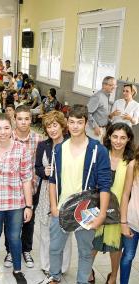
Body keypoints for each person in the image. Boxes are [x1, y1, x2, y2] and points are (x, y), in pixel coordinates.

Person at [40, 105, 111, 284]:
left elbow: (104, 185)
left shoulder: (98, 150)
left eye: (80, 122)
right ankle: (54, 277)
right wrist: (54, 207)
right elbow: (53, 180)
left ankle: (82, 281)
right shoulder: (59, 149)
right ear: (67, 124)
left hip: (87, 211)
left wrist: (102, 214)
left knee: (85, 252)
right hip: (62, 208)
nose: (75, 126)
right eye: (72, 122)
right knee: (55, 248)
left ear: (86, 123)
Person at [0, 113, 33, 284]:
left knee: (14, 237)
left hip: (15, 202)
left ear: (12, 129)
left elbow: (26, 179)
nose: (2, 132)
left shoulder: (21, 149)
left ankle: (17, 270)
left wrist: (29, 206)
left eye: (6, 128)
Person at [89, 123, 134, 284]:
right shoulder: (100, 154)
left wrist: (123, 219)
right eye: (115, 136)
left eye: (123, 137)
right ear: (108, 136)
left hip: (117, 211)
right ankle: (88, 273)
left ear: (128, 139)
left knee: (116, 248)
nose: (118, 141)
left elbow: (127, 194)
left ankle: (113, 277)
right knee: (92, 244)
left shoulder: (130, 162)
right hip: (96, 207)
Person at [4, 105, 43, 269]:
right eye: (19, 118)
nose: (23, 122)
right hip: (11, 190)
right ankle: (10, 251)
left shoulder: (38, 139)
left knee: (29, 221)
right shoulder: (7, 137)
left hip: (31, 188)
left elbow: (40, 165)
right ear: (14, 120)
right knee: (11, 222)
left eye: (27, 118)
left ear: (31, 119)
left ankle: (26, 249)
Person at [35, 111, 72, 276]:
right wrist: (45, 171)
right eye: (48, 126)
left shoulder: (71, 144)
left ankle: (62, 267)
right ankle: (47, 265)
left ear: (62, 126)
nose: (52, 129)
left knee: (65, 232)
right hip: (45, 192)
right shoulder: (43, 145)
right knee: (45, 232)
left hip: (66, 192)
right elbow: (37, 167)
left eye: (55, 125)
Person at [120, 139, 139, 284]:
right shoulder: (133, 165)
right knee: (128, 256)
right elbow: (125, 194)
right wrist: (124, 222)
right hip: (133, 221)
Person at [86, 76, 116, 141]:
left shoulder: (107, 96)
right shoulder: (97, 96)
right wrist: (95, 127)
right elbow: (88, 112)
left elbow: (101, 112)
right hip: (94, 130)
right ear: (104, 85)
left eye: (114, 85)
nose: (114, 87)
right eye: (111, 85)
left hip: (102, 129)